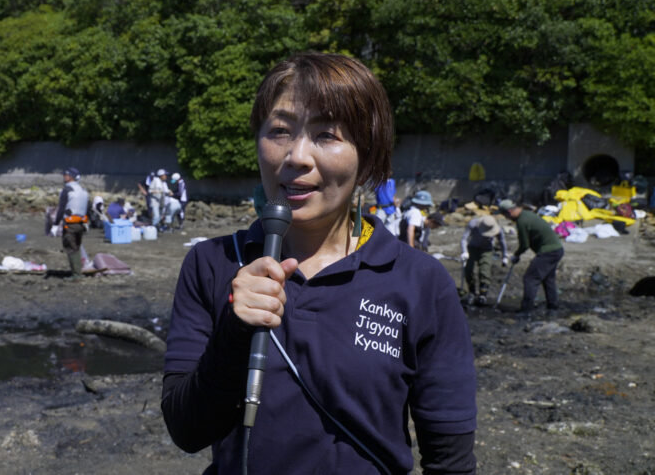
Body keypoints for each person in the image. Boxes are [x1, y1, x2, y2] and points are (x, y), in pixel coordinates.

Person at [162, 53, 476, 474]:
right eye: (279, 131)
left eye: (326, 134)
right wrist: (234, 330)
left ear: (368, 156)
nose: (296, 156)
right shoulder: (212, 262)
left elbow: (450, 461)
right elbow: (187, 431)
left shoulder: (420, 281)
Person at [499, 199, 564, 312]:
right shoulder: (526, 214)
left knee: (530, 278)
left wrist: (516, 255)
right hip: (556, 249)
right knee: (548, 279)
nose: (506, 218)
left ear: (509, 212)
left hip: (548, 252)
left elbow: (525, 244)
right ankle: (553, 306)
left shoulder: (522, 221)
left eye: (505, 215)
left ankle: (526, 310)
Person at [461, 215, 509, 306]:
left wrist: (505, 256)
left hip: (487, 249)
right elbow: (464, 239)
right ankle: (472, 291)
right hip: (472, 247)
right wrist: (464, 251)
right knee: (469, 269)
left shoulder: (498, 229)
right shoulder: (473, 224)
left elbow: (502, 242)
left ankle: (483, 294)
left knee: (484, 270)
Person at [55, 167, 89, 281]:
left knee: (71, 248)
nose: (64, 176)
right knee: (77, 246)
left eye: (65, 174)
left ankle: (76, 275)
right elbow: (86, 208)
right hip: (82, 223)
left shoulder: (67, 189)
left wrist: (55, 224)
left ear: (70, 177)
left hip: (70, 224)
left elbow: (61, 209)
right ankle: (78, 272)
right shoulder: (84, 191)